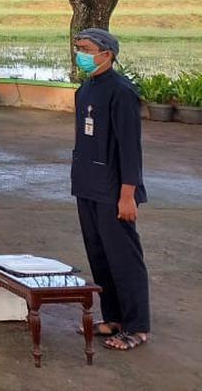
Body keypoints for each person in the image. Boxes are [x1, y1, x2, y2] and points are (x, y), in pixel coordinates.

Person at [70, 28, 151, 352]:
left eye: (86, 49)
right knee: (100, 256)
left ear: (107, 54)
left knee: (124, 259)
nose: (81, 54)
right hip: (88, 185)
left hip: (114, 190)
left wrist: (127, 194)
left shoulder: (121, 92)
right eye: (78, 48)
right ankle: (113, 318)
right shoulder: (86, 89)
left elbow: (130, 149)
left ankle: (137, 326)